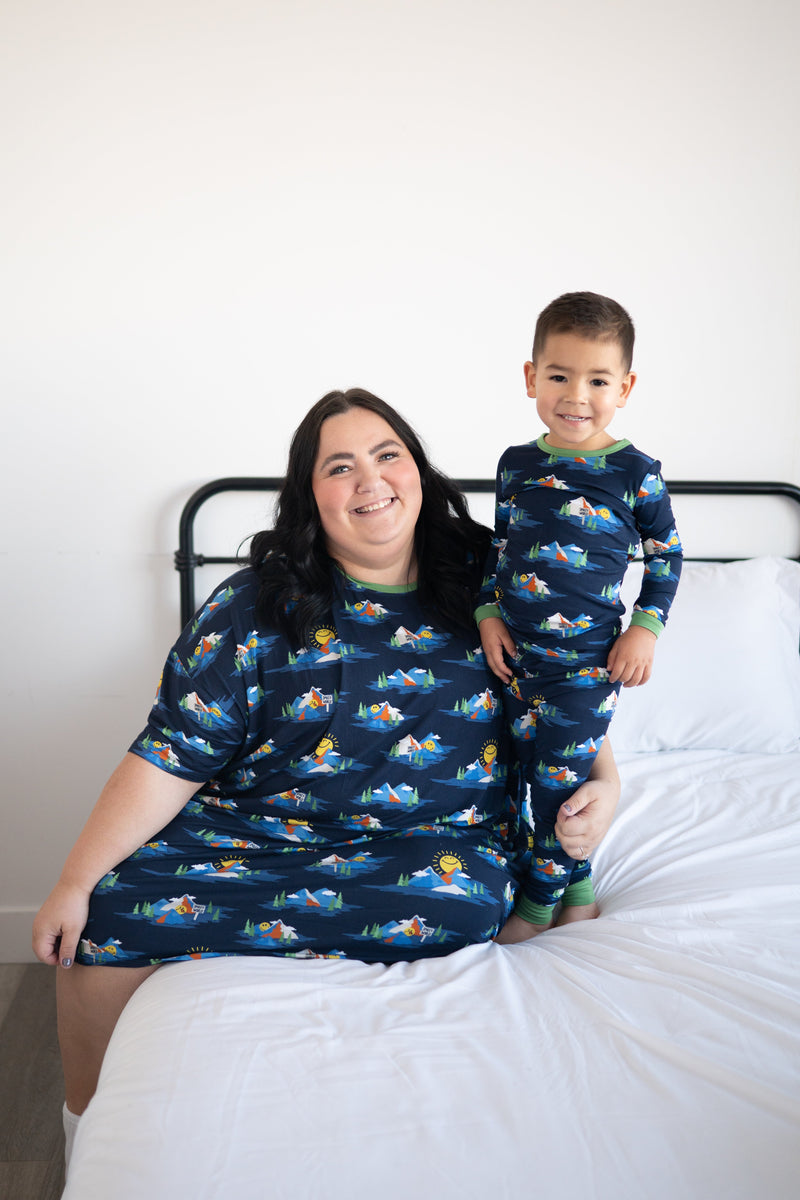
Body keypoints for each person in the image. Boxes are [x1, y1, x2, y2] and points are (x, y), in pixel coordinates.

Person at [33, 388, 621, 1164]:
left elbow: (567, 689)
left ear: (418, 471)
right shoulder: (253, 604)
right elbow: (171, 753)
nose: (370, 481)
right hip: (254, 832)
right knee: (103, 920)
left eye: (388, 456)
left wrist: (605, 781)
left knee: (459, 899)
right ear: (310, 497)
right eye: (339, 467)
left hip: (427, 847)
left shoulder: (496, 576)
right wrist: (76, 880)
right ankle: (82, 1129)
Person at [477, 293, 682, 934]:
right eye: (560, 376)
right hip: (517, 659)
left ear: (625, 387)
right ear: (532, 377)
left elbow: (667, 557)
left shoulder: (634, 474)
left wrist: (645, 629)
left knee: (556, 783)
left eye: (597, 380)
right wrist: (488, 613)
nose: (577, 395)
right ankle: (580, 878)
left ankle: (539, 905)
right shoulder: (517, 465)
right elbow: (499, 549)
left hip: (588, 662)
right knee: (519, 768)